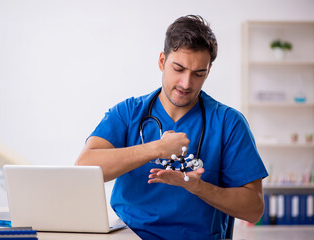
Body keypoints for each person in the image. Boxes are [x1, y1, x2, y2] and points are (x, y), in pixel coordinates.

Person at [76, 15, 268, 240]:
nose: (187, 83)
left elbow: (254, 209)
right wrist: (157, 148)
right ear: (161, 61)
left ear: (208, 71)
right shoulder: (128, 112)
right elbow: (85, 166)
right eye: (179, 69)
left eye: (198, 74)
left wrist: (197, 187)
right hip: (130, 236)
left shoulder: (228, 122)